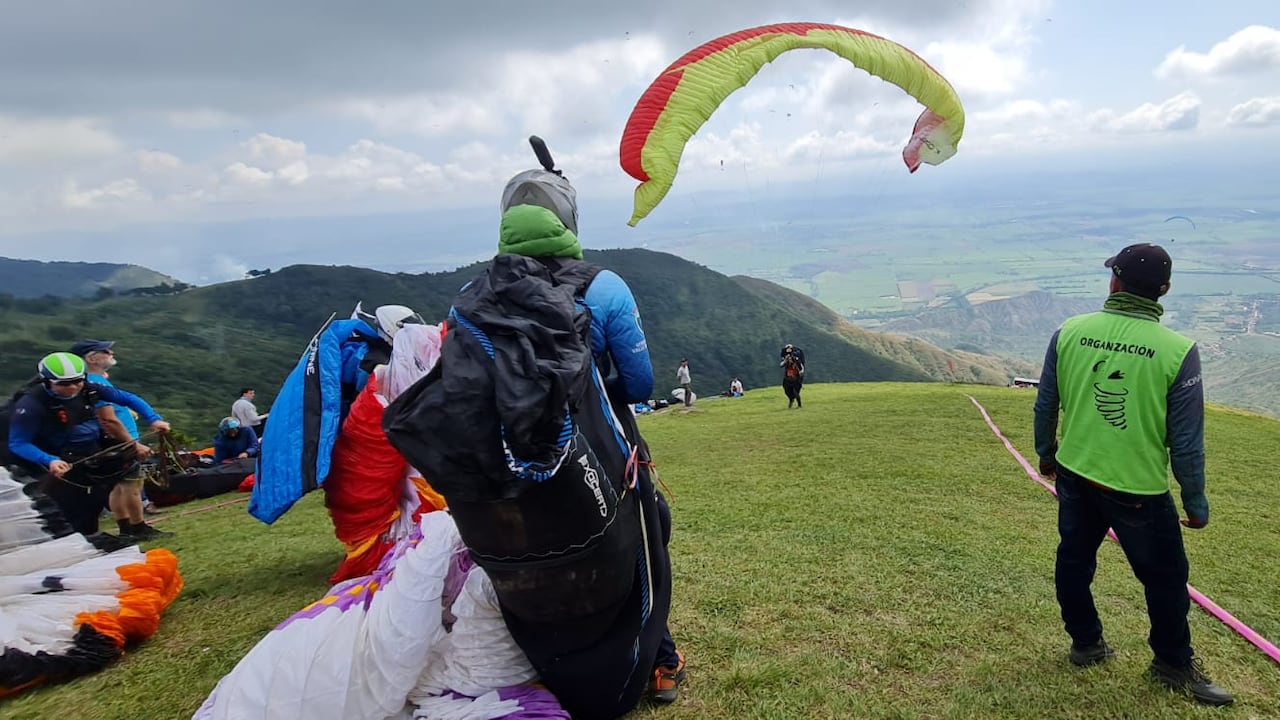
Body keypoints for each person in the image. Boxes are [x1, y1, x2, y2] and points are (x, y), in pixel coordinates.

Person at [495, 158, 686, 705]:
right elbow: (639, 382)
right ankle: (659, 661)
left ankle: (548, 667)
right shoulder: (602, 288)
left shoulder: (477, 293)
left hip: (507, 469)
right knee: (647, 538)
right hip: (597, 453)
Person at [1034, 243, 1232, 707]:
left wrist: (1046, 454)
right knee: (1164, 579)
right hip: (1138, 488)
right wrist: (1196, 503)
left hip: (1076, 474)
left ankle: (1086, 643)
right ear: (1163, 291)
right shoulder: (1178, 351)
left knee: (1074, 560)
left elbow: (1046, 402)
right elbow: (1186, 441)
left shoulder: (1070, 332)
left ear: (1114, 282)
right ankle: (1172, 664)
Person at [7, 352, 171, 540]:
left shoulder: (88, 388)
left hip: (91, 450)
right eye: (64, 384)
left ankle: (127, 531)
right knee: (76, 508)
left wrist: (154, 420)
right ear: (47, 381)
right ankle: (88, 540)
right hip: (58, 460)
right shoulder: (31, 406)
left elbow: (128, 398)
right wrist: (50, 460)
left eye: (77, 380)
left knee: (106, 491)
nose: (73, 387)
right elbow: (18, 443)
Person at [71, 339, 172, 539]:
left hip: (111, 442)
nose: (111, 352)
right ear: (92, 358)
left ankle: (125, 526)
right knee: (133, 485)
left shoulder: (90, 381)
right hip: (121, 440)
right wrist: (133, 444)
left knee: (118, 486)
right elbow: (108, 419)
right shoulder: (95, 383)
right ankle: (138, 527)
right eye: (105, 350)